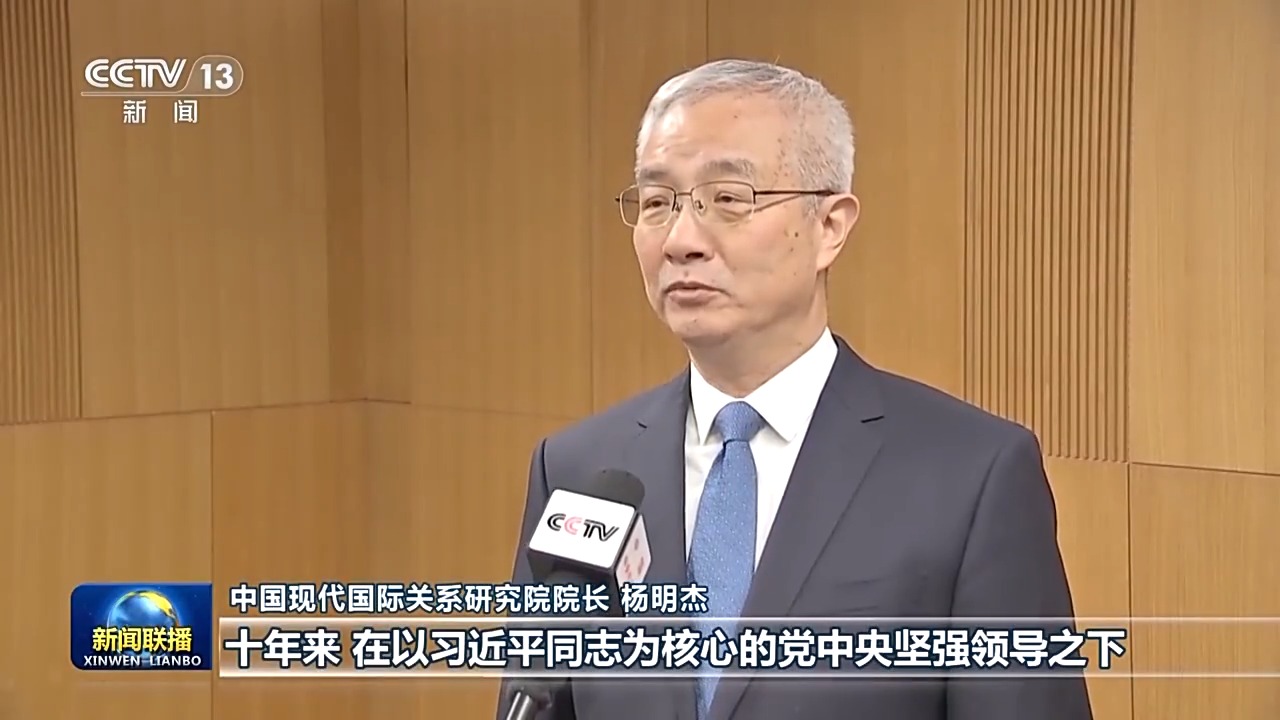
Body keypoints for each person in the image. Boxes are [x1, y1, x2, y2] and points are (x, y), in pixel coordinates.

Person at [498, 59, 1092, 720]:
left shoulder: (971, 475)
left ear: (829, 227)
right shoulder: (581, 471)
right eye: (658, 202)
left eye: (729, 199)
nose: (680, 241)